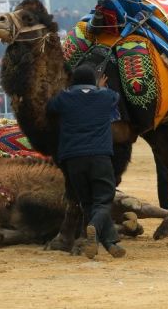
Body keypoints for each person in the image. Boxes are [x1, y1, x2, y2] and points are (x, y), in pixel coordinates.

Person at [46, 65, 126, 259]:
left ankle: (110, 243)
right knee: (104, 199)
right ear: (94, 81)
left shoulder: (63, 98)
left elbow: (50, 108)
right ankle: (94, 227)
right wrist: (100, 87)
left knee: (88, 201)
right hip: (99, 156)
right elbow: (116, 98)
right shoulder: (106, 96)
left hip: (72, 159)